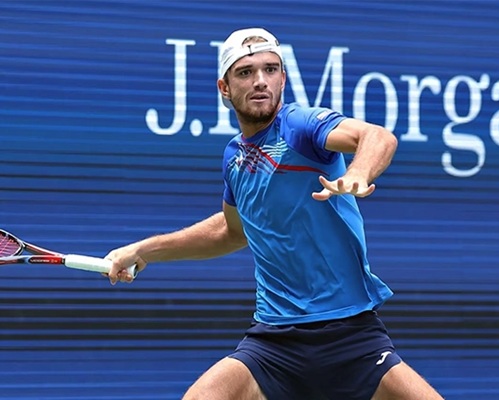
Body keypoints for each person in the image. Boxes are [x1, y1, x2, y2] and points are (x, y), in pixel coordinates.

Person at [106, 27, 444, 400]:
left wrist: (358, 173)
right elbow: (232, 231)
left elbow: (377, 137)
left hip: (352, 336)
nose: (260, 81)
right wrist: (143, 250)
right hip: (274, 342)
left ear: (283, 79)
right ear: (224, 88)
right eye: (245, 72)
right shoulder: (234, 158)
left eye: (270, 70)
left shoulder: (300, 125)